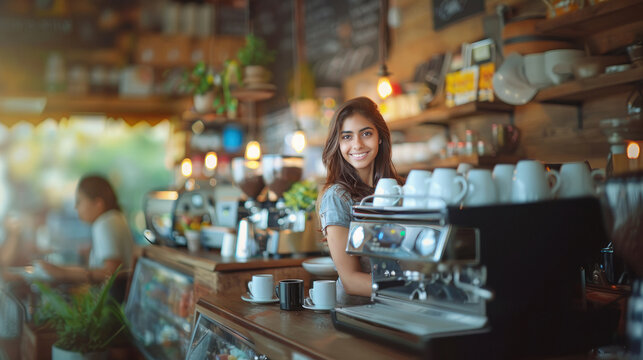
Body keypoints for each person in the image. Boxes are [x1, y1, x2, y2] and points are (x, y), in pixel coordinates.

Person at [317, 97, 403, 304]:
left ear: (380, 137)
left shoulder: (398, 189)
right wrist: (412, 291)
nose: (357, 145)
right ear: (337, 144)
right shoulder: (338, 196)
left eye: (366, 133)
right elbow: (351, 281)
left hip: (400, 308)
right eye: (347, 137)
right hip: (358, 311)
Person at [37, 174, 134, 285]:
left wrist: (63, 273)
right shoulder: (116, 218)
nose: (76, 207)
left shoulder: (103, 223)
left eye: (79, 201)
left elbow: (112, 272)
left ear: (98, 204)